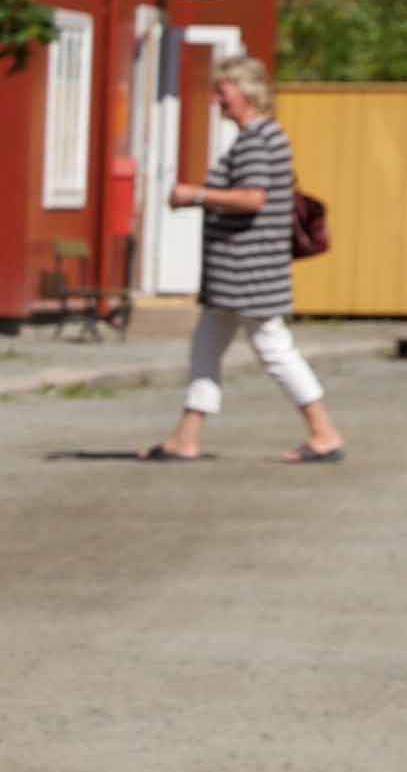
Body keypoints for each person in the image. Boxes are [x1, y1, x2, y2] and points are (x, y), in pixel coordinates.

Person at [144, 52, 347, 464]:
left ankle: (323, 432)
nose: (218, 99)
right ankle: (186, 437)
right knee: (207, 347)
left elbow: (254, 197)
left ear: (246, 92)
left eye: (223, 90)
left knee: (273, 348)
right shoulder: (264, 136)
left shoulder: (258, 139)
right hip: (241, 270)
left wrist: (194, 195)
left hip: (248, 272)